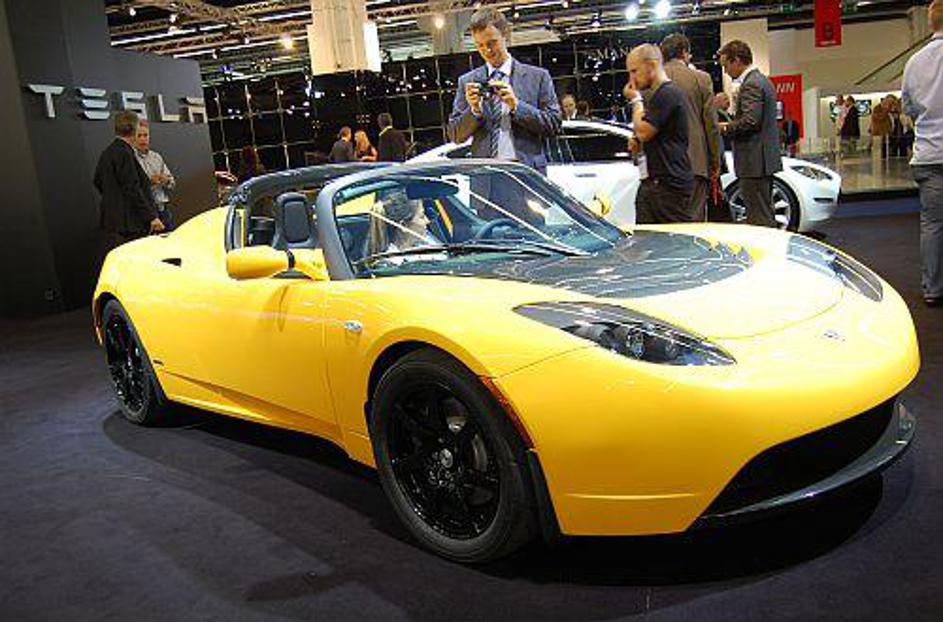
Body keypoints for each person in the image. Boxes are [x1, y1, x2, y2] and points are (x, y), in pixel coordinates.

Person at [448, 7, 561, 172]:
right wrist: (474, 111)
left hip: (527, 173)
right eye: (480, 45)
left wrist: (516, 106)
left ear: (505, 36)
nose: (487, 51)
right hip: (485, 177)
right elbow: (455, 135)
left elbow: (554, 124)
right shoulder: (467, 82)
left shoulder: (538, 77)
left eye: (492, 43)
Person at [623, 44, 695, 223]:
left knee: (674, 238)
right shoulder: (658, 95)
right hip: (656, 183)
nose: (632, 79)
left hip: (667, 186)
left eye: (634, 71)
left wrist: (636, 100)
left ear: (652, 65)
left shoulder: (667, 93)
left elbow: (643, 132)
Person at [902, 0, 943, 306]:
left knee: (932, 225)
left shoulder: (914, 62)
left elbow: (908, 108)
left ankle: (933, 289)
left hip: (928, 154)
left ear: (930, 23)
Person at [717, 40, 783, 228]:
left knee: (759, 217)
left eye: (726, 65)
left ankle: (766, 246)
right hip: (761, 160)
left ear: (737, 60)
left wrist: (724, 128)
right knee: (764, 212)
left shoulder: (751, 84)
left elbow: (750, 121)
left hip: (754, 161)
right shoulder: (762, 81)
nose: (725, 71)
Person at [660, 33, 721, 220]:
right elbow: (711, 125)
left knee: (666, 223)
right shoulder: (701, 79)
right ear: (684, 52)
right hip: (694, 162)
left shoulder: (651, 80)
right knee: (694, 222)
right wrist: (715, 161)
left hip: (662, 166)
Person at [93, 110, 162, 248]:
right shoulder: (125, 153)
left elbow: (97, 180)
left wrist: (113, 196)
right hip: (131, 223)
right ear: (134, 129)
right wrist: (151, 217)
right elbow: (132, 188)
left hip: (114, 222)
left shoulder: (108, 152)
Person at [366, 189, 438, 258]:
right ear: (403, 225)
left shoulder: (429, 245)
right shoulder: (391, 262)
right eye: (421, 217)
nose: (427, 221)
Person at [134, 119, 176, 231]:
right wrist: (149, 183)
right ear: (133, 138)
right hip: (145, 212)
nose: (143, 139)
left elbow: (172, 183)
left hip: (163, 208)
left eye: (145, 135)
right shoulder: (130, 159)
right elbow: (131, 188)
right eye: (139, 136)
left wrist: (166, 180)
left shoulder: (156, 157)